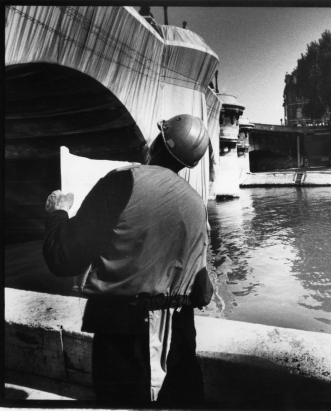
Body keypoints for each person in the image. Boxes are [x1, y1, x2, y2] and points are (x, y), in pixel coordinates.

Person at [43, 114, 214, 405]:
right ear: (192, 163)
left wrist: (57, 214)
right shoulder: (197, 205)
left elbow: (63, 258)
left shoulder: (122, 182)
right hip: (180, 344)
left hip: (124, 337)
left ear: (157, 141)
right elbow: (203, 292)